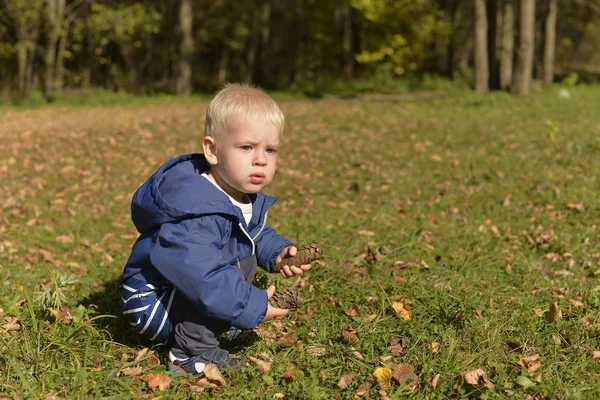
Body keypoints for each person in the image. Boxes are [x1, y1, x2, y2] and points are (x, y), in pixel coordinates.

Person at [120, 83, 311, 376]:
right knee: (222, 270)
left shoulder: (233, 191)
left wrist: (277, 253)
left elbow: (251, 232)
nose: (260, 159)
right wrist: (252, 305)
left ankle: (216, 324)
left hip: (177, 290)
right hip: (153, 300)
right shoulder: (198, 208)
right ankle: (190, 355)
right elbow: (202, 276)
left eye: (270, 149)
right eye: (247, 147)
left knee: (229, 267)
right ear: (212, 150)